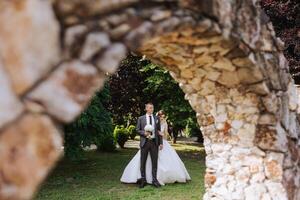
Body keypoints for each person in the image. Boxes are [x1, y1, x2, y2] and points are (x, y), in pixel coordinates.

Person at [120, 106, 191, 187]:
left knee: (155, 162)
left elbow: (159, 131)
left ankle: (154, 180)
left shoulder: (156, 119)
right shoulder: (141, 118)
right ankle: (143, 180)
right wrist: (145, 133)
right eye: (150, 108)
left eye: (152, 108)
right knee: (143, 161)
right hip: (145, 142)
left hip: (155, 143)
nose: (151, 109)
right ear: (146, 109)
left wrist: (161, 141)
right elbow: (138, 130)